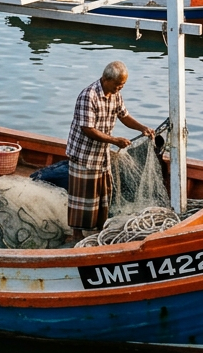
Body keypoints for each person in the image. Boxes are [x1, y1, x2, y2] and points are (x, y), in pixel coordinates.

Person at [66, 61, 154, 242]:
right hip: (83, 154)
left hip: (102, 153)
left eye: (122, 85)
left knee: (103, 193)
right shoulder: (88, 96)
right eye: (117, 84)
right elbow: (88, 129)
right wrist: (114, 140)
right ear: (106, 79)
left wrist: (142, 128)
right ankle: (76, 234)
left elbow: (124, 115)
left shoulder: (116, 95)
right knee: (82, 196)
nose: (119, 88)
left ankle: (100, 229)